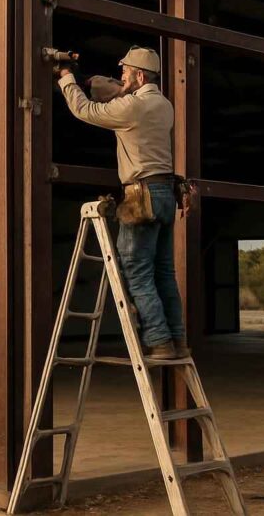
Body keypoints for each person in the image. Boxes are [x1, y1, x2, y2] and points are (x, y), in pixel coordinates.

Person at [55, 46, 187, 360]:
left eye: (126, 72)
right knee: (164, 274)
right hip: (165, 193)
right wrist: (90, 80)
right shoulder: (164, 105)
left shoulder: (132, 108)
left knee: (136, 271)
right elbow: (116, 92)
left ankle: (158, 340)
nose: (122, 76)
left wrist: (65, 78)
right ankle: (178, 340)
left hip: (142, 195)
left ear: (140, 76)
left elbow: (84, 110)